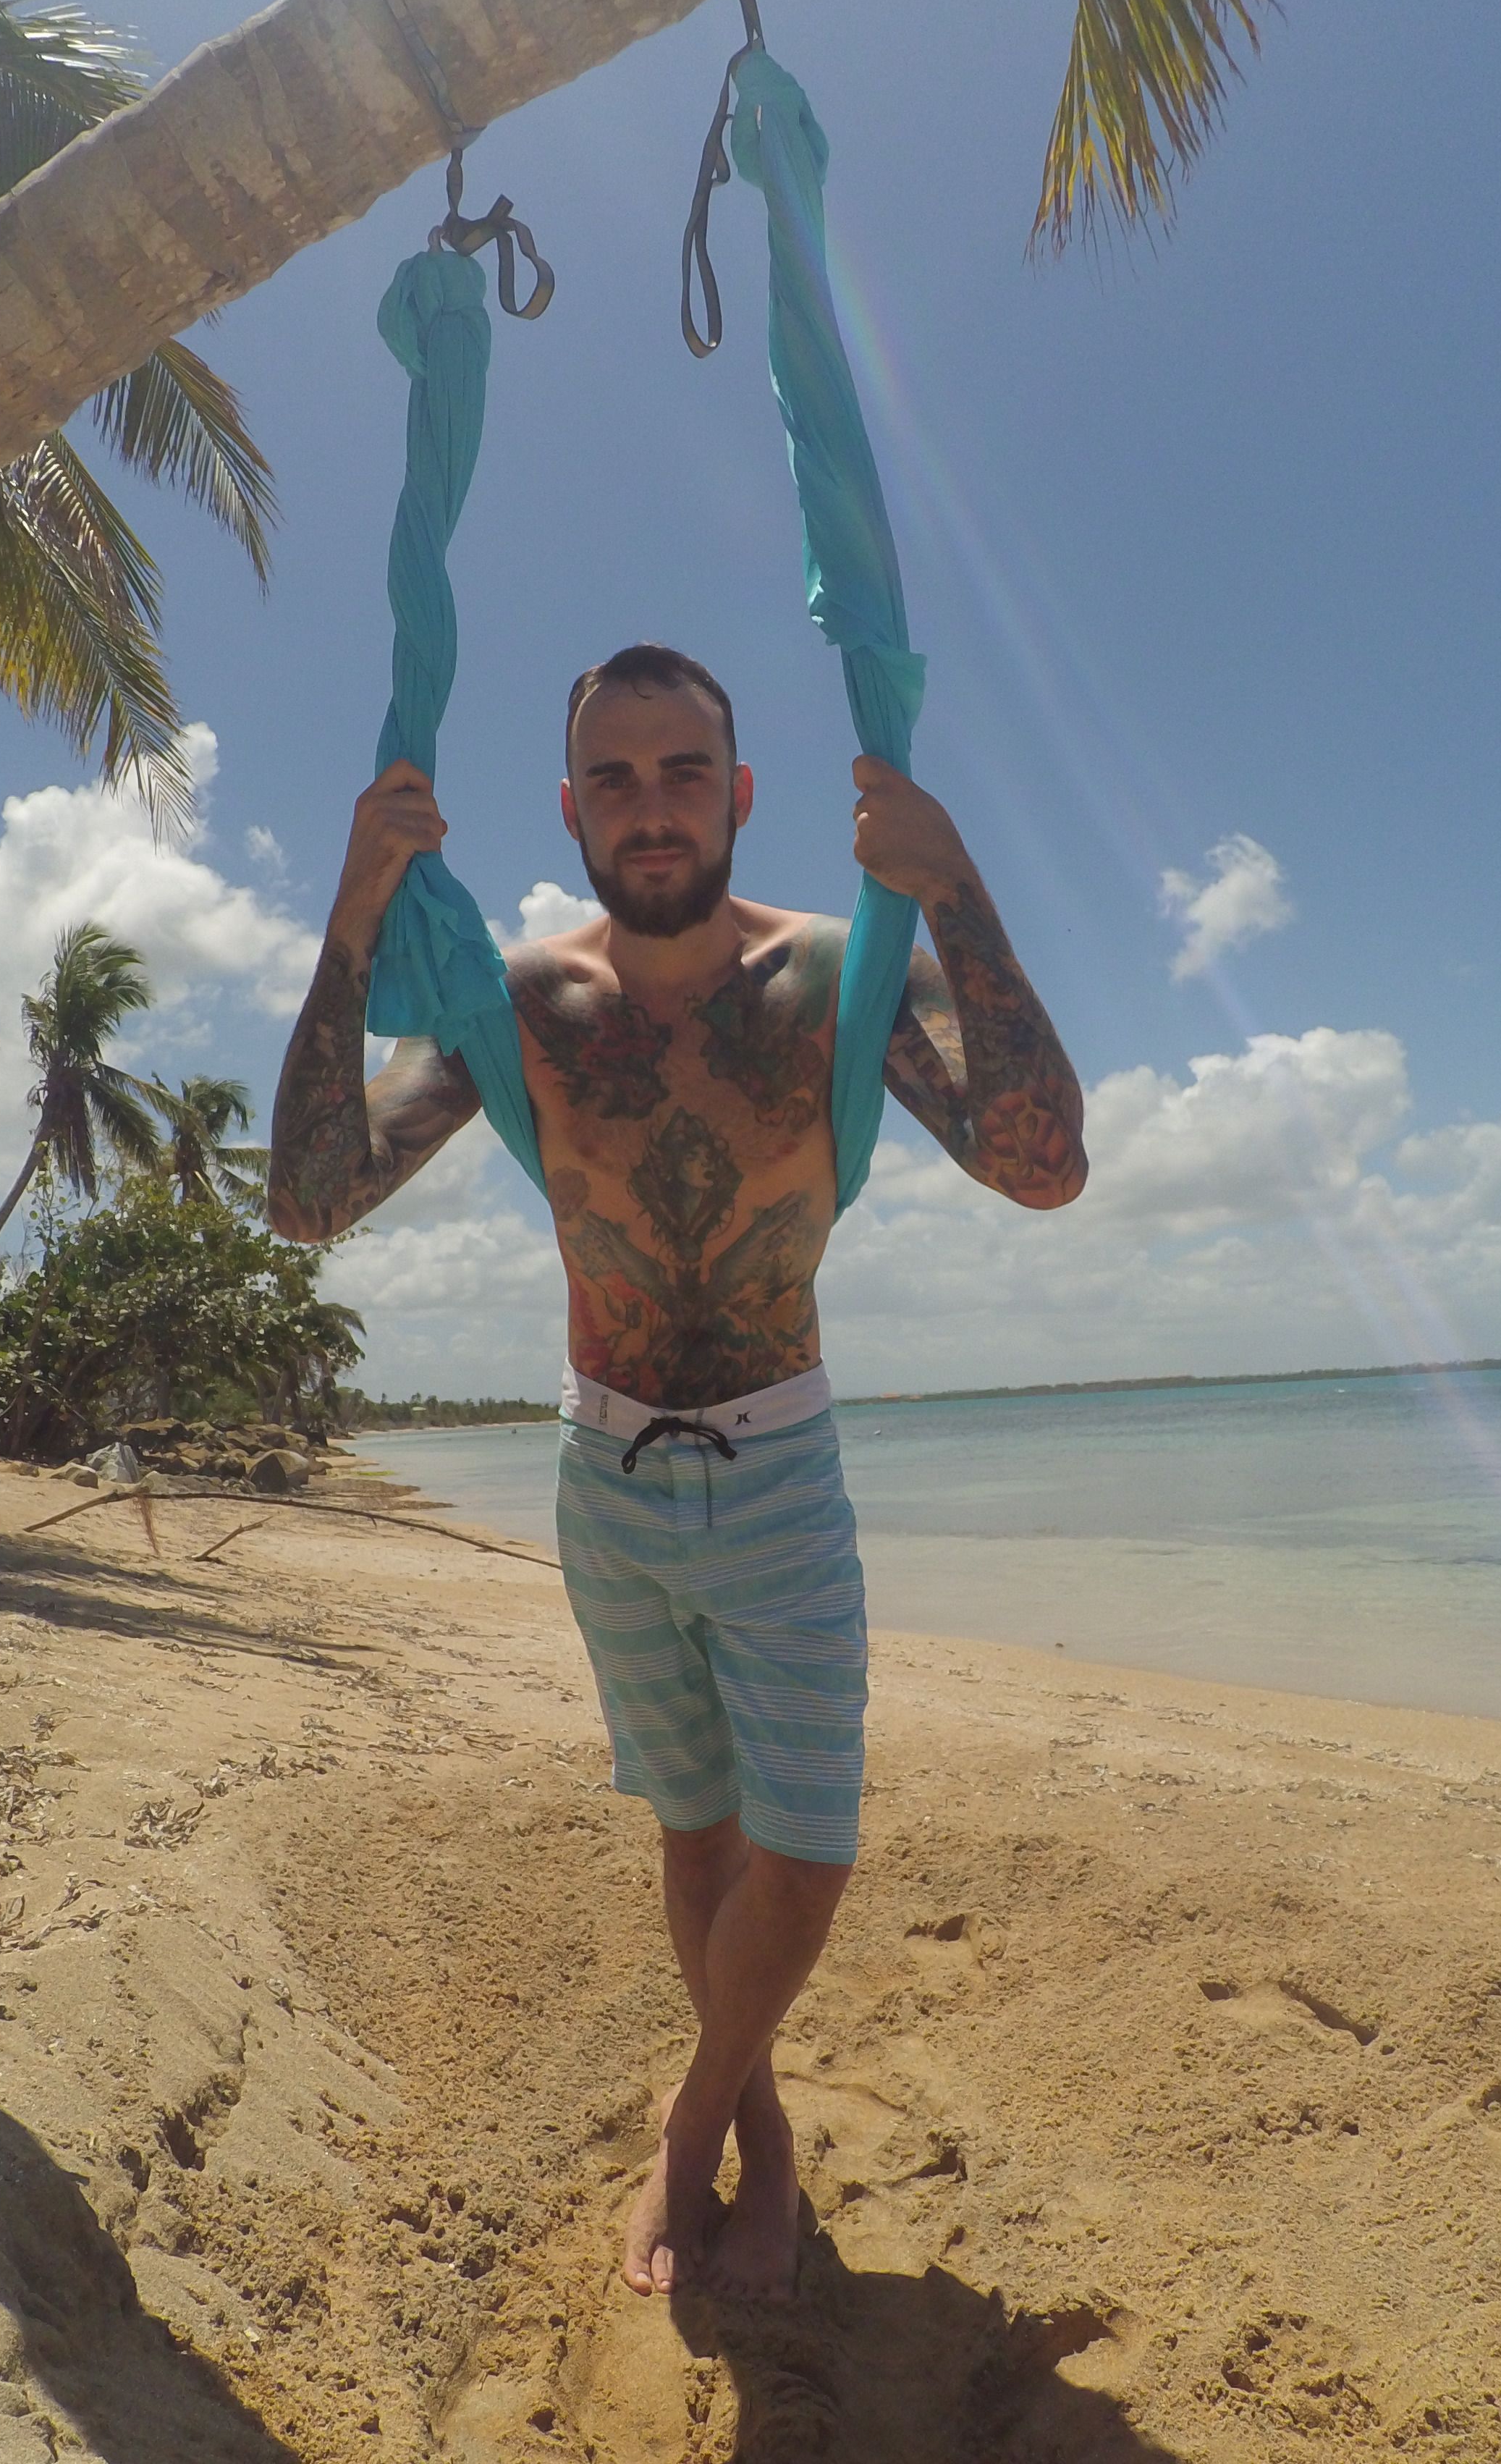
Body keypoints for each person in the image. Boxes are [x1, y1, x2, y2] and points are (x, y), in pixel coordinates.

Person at [267, 644, 1085, 2299]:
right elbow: (308, 1199)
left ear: (742, 793)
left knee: (809, 1845)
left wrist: (961, 891)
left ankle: (692, 2118)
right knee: (699, 1832)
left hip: (780, 1467)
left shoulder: (833, 979)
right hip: (607, 1474)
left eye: (684, 773)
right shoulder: (521, 1008)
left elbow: (1044, 1168)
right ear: (571, 810)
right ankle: (767, 2140)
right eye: (619, 781)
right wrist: (353, 915)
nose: (653, 810)